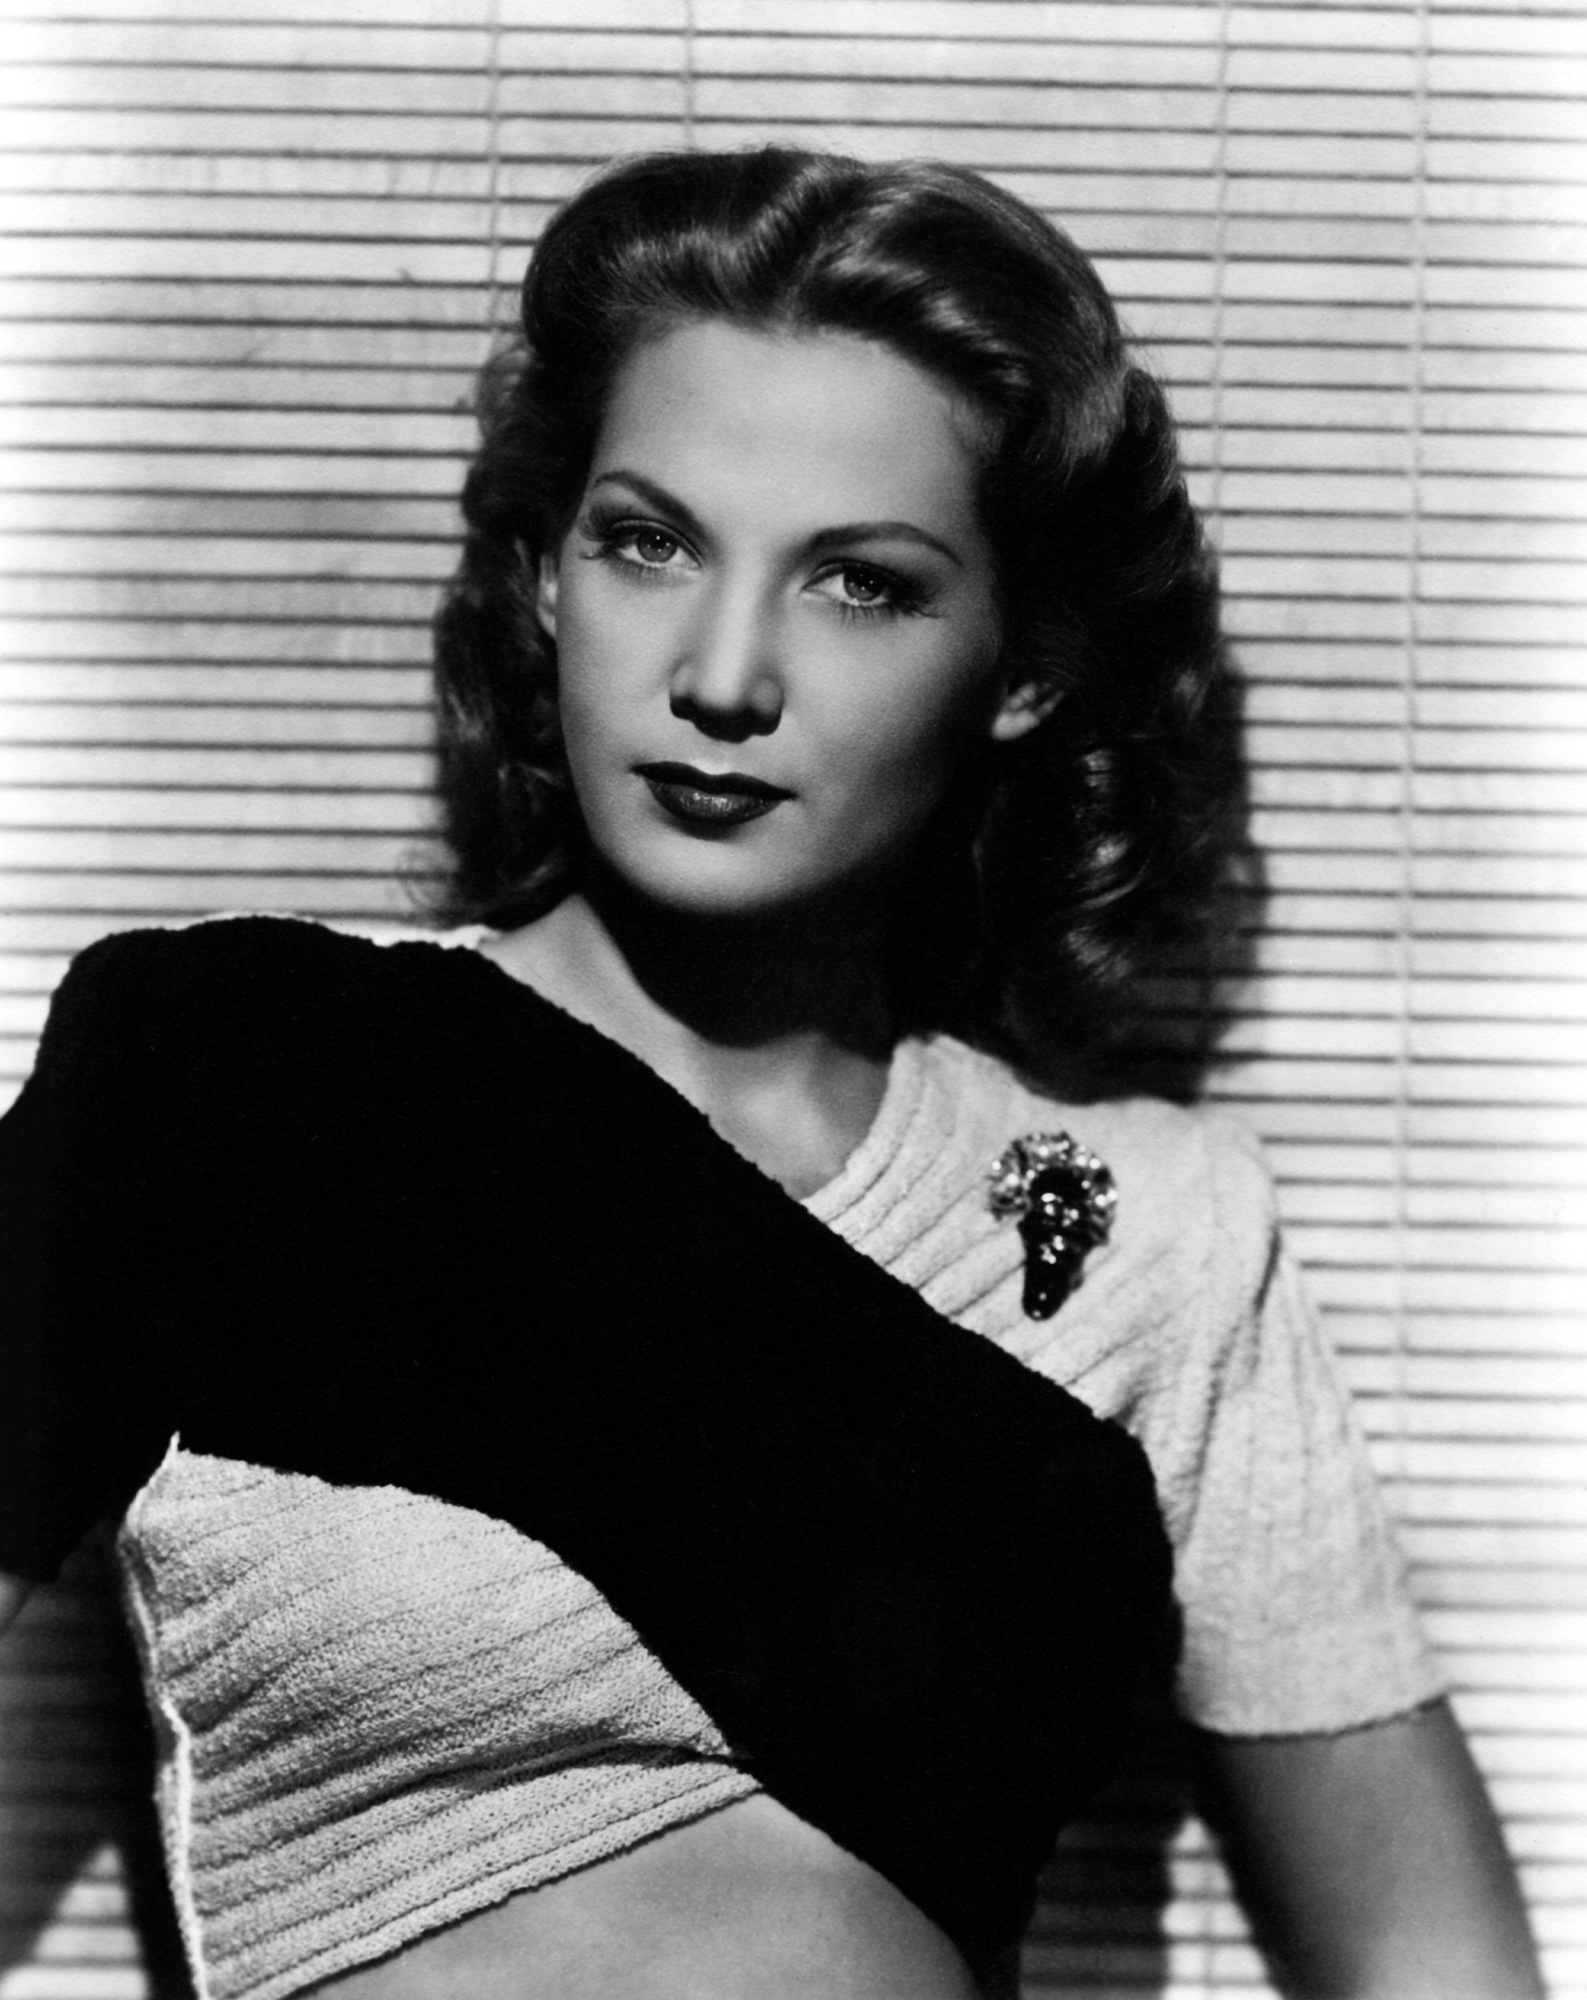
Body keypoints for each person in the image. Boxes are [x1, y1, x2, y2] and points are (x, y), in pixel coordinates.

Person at [0, 148, 1544, 2000]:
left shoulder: (1160, 1235)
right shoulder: (229, 1069)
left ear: (1026, 668)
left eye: (861, 585)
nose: (723, 674)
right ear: (544, 574)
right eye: (647, 543)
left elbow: (1431, 1958)